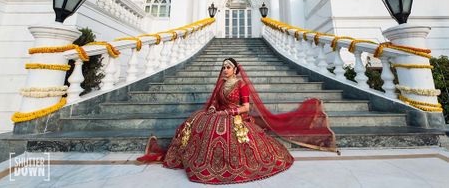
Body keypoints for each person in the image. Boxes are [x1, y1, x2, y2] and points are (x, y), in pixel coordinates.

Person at [137, 57, 337, 184]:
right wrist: (215, 107)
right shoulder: (221, 84)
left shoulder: (241, 85)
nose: (224, 69)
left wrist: (228, 113)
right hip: (219, 114)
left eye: (228, 67)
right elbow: (215, 101)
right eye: (223, 67)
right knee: (196, 121)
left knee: (226, 132)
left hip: (235, 117)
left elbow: (247, 108)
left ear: (235, 70)